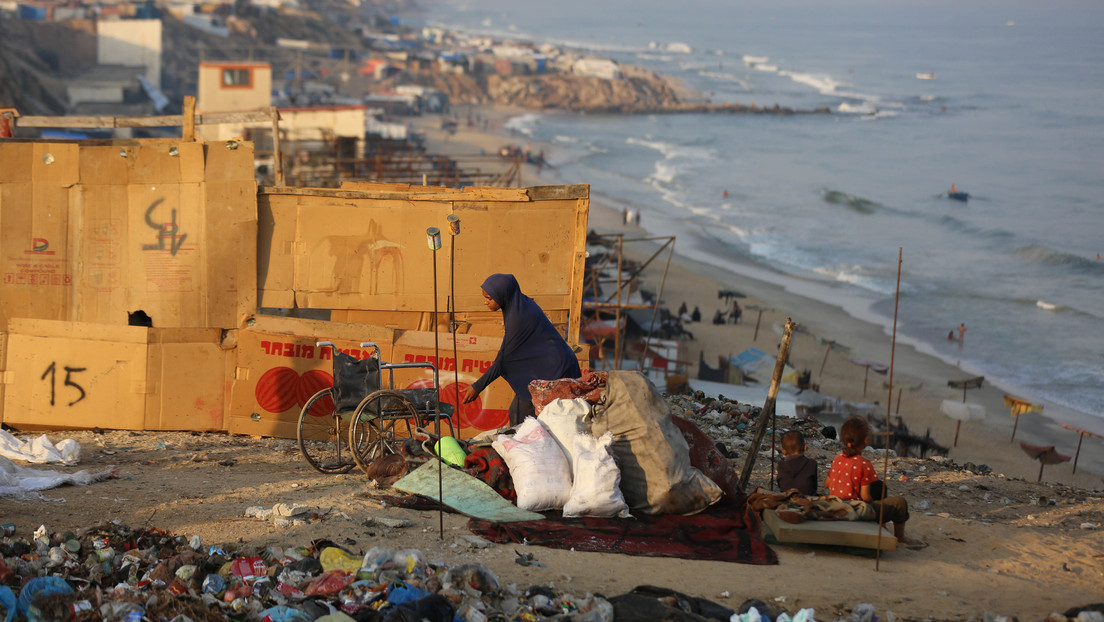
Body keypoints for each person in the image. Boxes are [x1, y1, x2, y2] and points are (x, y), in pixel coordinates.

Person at [460, 274, 582, 427]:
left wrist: (477, 386)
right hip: (545, 365)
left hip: (555, 369)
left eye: (489, 298)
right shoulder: (518, 306)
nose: (485, 302)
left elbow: (503, 359)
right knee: (521, 414)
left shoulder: (518, 318)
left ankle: (524, 448)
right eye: (485, 298)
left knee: (521, 416)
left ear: (503, 295)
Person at [826, 416, 926, 549]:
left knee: (879, 486)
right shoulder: (864, 464)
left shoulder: (837, 459)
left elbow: (827, 484)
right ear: (866, 440)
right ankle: (901, 537)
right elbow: (866, 496)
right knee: (900, 503)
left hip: (836, 505)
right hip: (854, 510)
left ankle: (881, 523)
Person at [776, 430, 817, 496]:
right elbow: (814, 487)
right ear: (805, 447)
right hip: (807, 499)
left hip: (786, 498)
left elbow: (780, 485)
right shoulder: (812, 463)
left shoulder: (781, 465)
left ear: (783, 451)